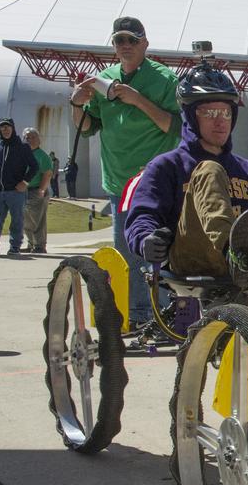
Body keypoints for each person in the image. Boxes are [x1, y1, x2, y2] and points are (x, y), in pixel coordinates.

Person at [124, 60, 248, 288]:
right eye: (209, 113)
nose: (220, 121)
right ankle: (232, 253)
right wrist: (145, 241)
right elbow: (142, 217)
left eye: (226, 113)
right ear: (190, 116)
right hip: (191, 261)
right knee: (209, 169)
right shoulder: (167, 166)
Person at [70, 16, 181, 327]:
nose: (126, 46)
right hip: (118, 184)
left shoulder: (164, 79)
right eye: (120, 40)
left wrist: (137, 100)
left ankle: (165, 315)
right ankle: (139, 315)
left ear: (145, 43)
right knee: (127, 253)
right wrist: (77, 104)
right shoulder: (104, 79)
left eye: (132, 40)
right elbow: (88, 128)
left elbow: (175, 127)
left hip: (154, 185)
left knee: (158, 251)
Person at [0, 118, 37, 256]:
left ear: (13, 128)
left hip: (16, 192)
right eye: (2, 127)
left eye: (7, 127)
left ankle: (15, 247)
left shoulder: (22, 146)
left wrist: (25, 182)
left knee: (17, 220)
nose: (5, 130)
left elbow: (34, 166)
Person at [21, 127, 53, 253]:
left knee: (38, 220)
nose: (30, 140)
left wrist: (42, 189)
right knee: (26, 220)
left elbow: (47, 174)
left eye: (33, 137)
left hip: (36, 191)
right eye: (27, 137)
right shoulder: (23, 154)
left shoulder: (42, 156)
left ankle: (40, 245)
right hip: (23, 191)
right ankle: (31, 243)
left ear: (39, 140)